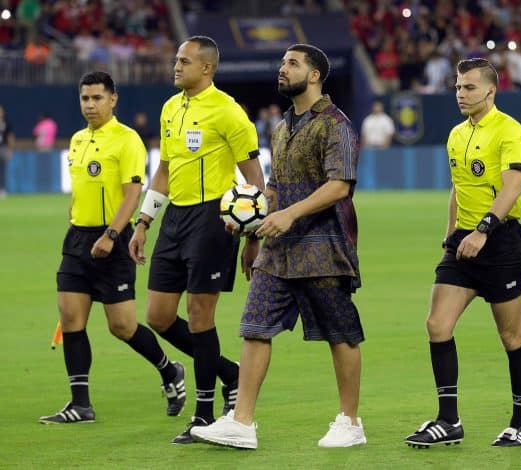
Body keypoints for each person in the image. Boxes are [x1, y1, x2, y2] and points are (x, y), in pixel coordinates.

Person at [190, 43, 366, 450]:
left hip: (324, 245)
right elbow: (274, 186)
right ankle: (242, 422)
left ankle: (350, 422)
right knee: (255, 327)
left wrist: (290, 214)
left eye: (292, 63)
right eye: (283, 62)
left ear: (315, 75)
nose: (282, 69)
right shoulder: (282, 125)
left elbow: (340, 185)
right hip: (277, 249)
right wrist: (252, 228)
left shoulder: (336, 124)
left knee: (341, 334)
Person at [128, 36, 265, 444]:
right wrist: (143, 222)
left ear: (207, 68)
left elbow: (254, 179)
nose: (176, 66)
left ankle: (204, 416)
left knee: (201, 315)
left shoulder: (228, 112)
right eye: (176, 60)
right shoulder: (171, 108)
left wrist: (252, 235)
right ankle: (229, 373)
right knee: (158, 315)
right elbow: (164, 171)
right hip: (175, 218)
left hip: (212, 219)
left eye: (184, 61)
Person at [39, 71, 185, 424]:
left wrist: (112, 234)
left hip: (111, 240)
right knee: (71, 318)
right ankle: (80, 404)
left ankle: (170, 372)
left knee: (121, 326)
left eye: (97, 98)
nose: (90, 105)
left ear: (113, 99)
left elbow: (132, 194)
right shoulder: (76, 140)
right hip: (76, 240)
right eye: (85, 98)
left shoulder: (127, 140)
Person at [404, 58, 521, 448]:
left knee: (511, 336)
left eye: (469, 88)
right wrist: (451, 237)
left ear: (490, 91)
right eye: (458, 87)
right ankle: (448, 420)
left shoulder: (509, 130)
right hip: (463, 242)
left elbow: (511, 190)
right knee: (436, 325)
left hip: (501, 242)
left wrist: (483, 230)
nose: (461, 94)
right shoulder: (456, 134)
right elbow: (458, 189)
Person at [0, 105, 15, 197]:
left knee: (3, 170)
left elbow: (10, 137)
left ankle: (2, 189)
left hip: (3, 148)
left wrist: (10, 149)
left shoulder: (6, 123)